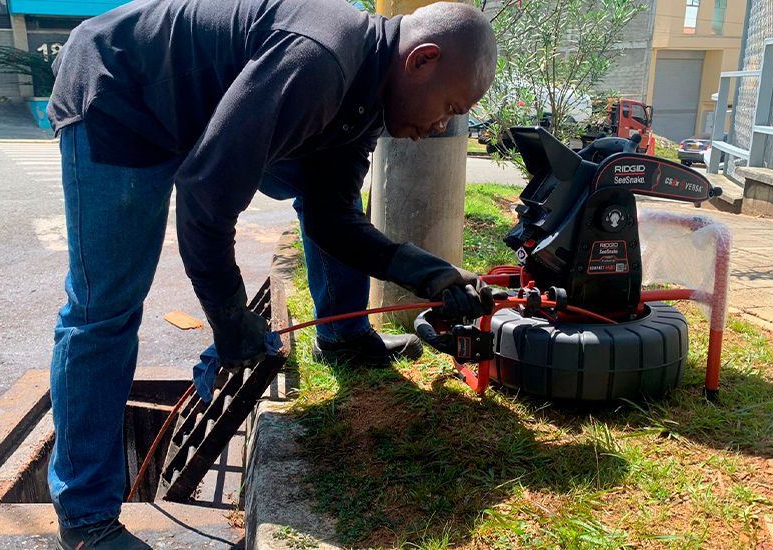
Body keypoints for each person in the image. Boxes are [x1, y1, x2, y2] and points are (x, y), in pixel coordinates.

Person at [45, 0, 498, 547]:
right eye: (449, 107)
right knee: (104, 309)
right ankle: (85, 520)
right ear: (421, 60)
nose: (442, 125)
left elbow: (333, 217)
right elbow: (208, 192)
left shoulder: (368, 99)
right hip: (121, 91)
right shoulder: (321, 59)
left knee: (322, 192)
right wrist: (228, 314)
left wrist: (432, 274)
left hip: (210, 112)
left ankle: (343, 335)